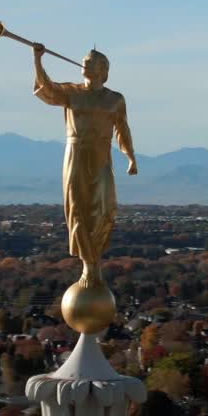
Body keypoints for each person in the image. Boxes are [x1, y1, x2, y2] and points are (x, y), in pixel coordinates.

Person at [32, 42, 137, 285]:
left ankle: (95, 257)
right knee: (78, 209)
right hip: (76, 154)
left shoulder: (115, 99)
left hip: (101, 155)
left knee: (106, 207)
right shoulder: (72, 93)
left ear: (102, 69)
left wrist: (131, 157)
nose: (84, 63)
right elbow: (47, 89)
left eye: (90, 61)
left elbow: (123, 129)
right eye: (84, 61)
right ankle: (89, 266)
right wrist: (38, 61)